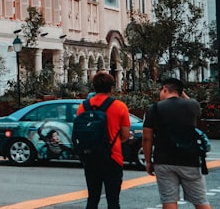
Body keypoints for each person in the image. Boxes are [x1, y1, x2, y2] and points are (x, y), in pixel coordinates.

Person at [142, 77, 212, 209]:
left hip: (164, 160)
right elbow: (191, 103)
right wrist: (182, 93)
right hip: (190, 159)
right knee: (201, 201)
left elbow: (147, 138)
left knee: (169, 200)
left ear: (164, 89)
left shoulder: (154, 109)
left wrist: (148, 161)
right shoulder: (192, 105)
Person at [77, 71, 131, 209]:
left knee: (92, 198)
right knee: (113, 200)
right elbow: (125, 135)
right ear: (111, 88)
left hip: (90, 156)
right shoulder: (120, 107)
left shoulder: (83, 107)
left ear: (93, 87)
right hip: (113, 157)